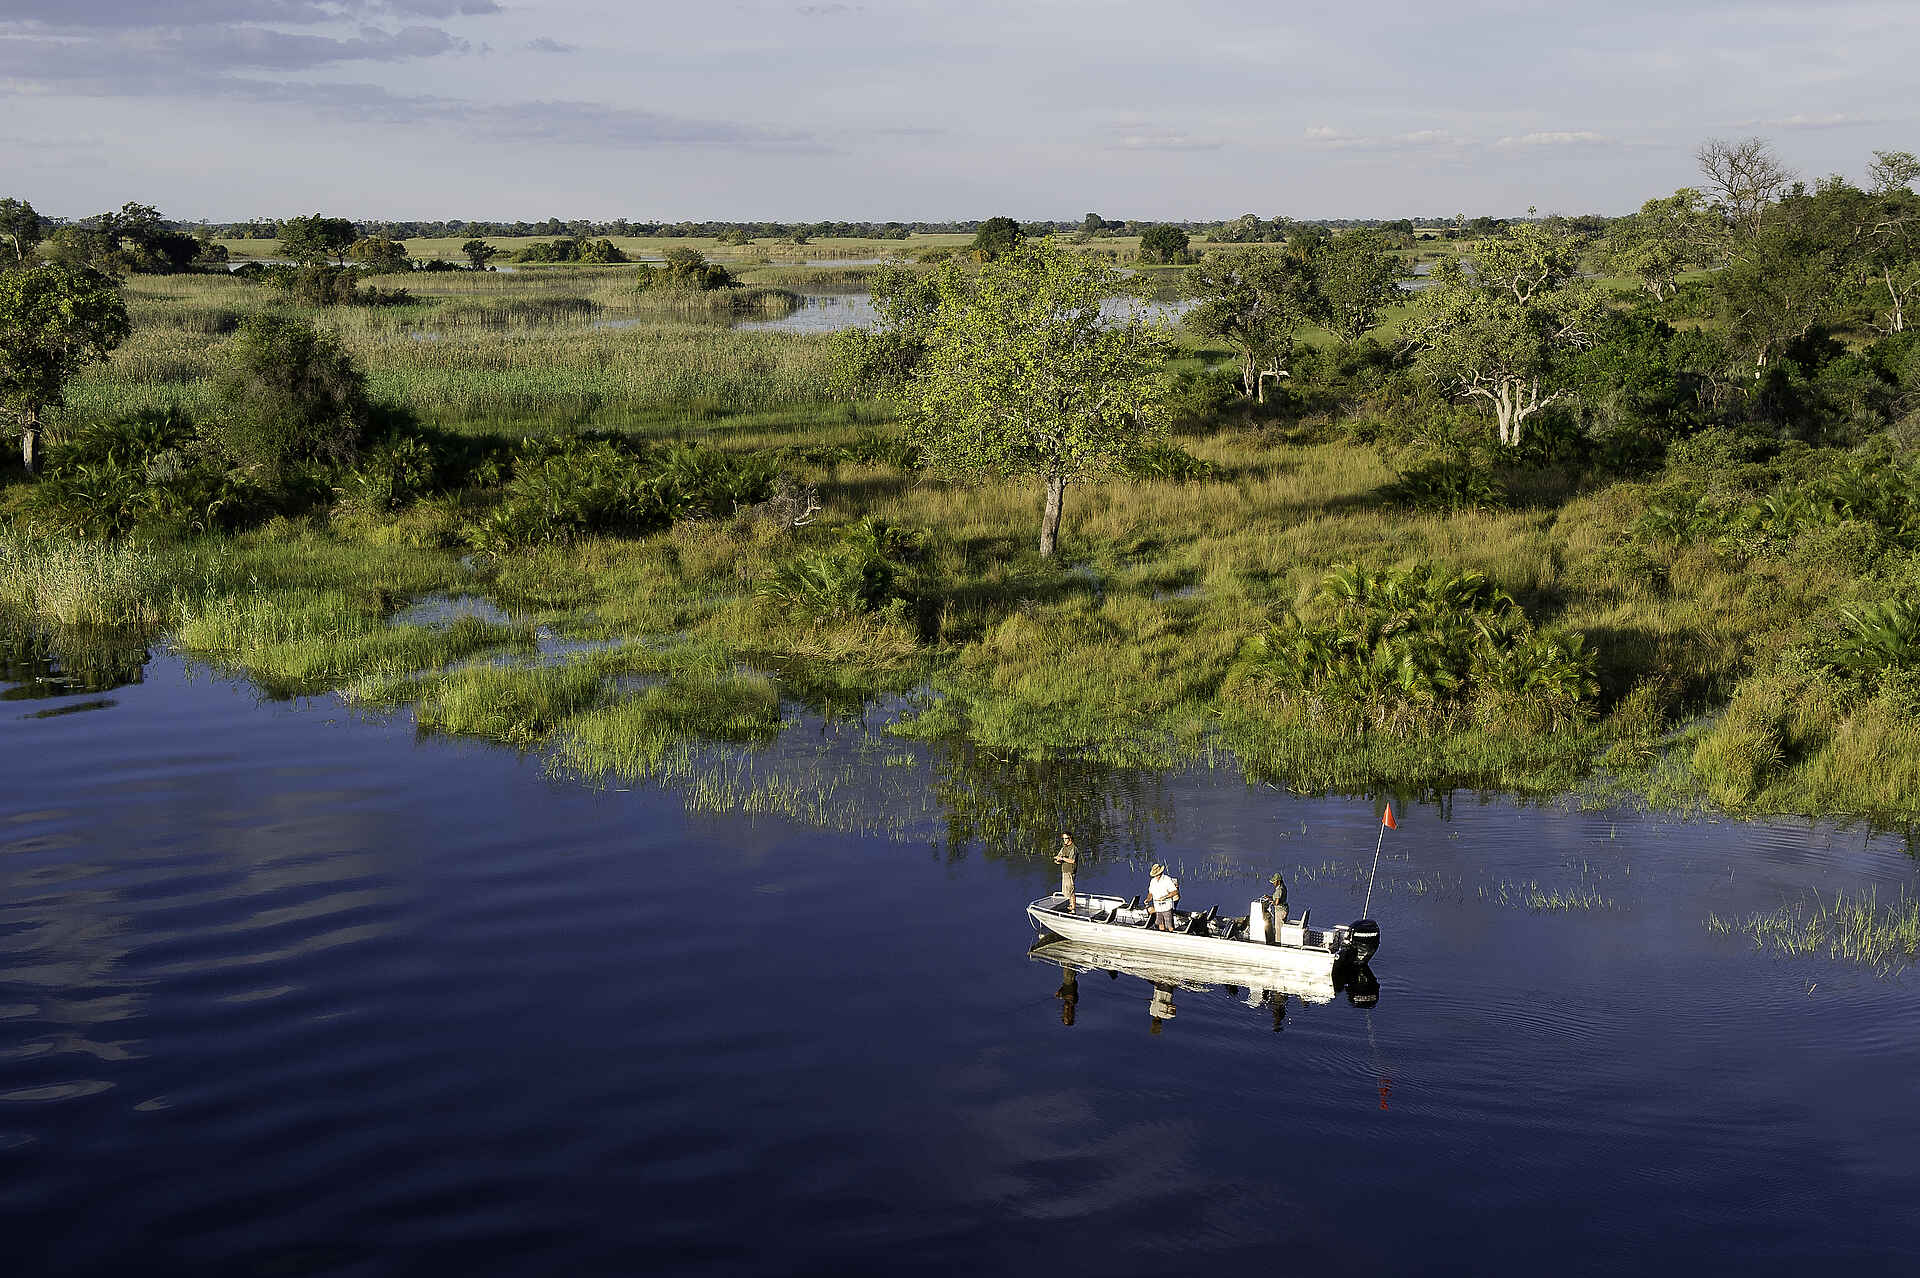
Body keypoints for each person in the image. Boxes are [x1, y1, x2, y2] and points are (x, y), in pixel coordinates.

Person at [1147, 863, 1179, 931]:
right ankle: (1162, 936)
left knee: (1169, 925)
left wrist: (1165, 897)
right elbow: (1150, 893)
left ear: (1161, 872)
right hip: (1157, 906)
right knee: (1160, 924)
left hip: (1166, 906)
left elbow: (1175, 892)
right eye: (1155, 875)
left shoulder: (1167, 879)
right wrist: (1148, 899)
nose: (1156, 876)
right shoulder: (1153, 881)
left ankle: (1172, 936)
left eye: (1157, 874)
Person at [1054, 833, 1078, 912]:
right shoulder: (1063, 848)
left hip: (1070, 871)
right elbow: (1060, 858)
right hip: (1064, 871)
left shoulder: (1073, 848)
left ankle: (1073, 908)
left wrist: (1062, 858)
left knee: (1071, 890)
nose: (1064, 840)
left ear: (1070, 838)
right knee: (1066, 890)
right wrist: (1058, 860)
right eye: (1063, 838)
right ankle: (1071, 905)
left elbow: (1072, 860)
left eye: (1066, 838)